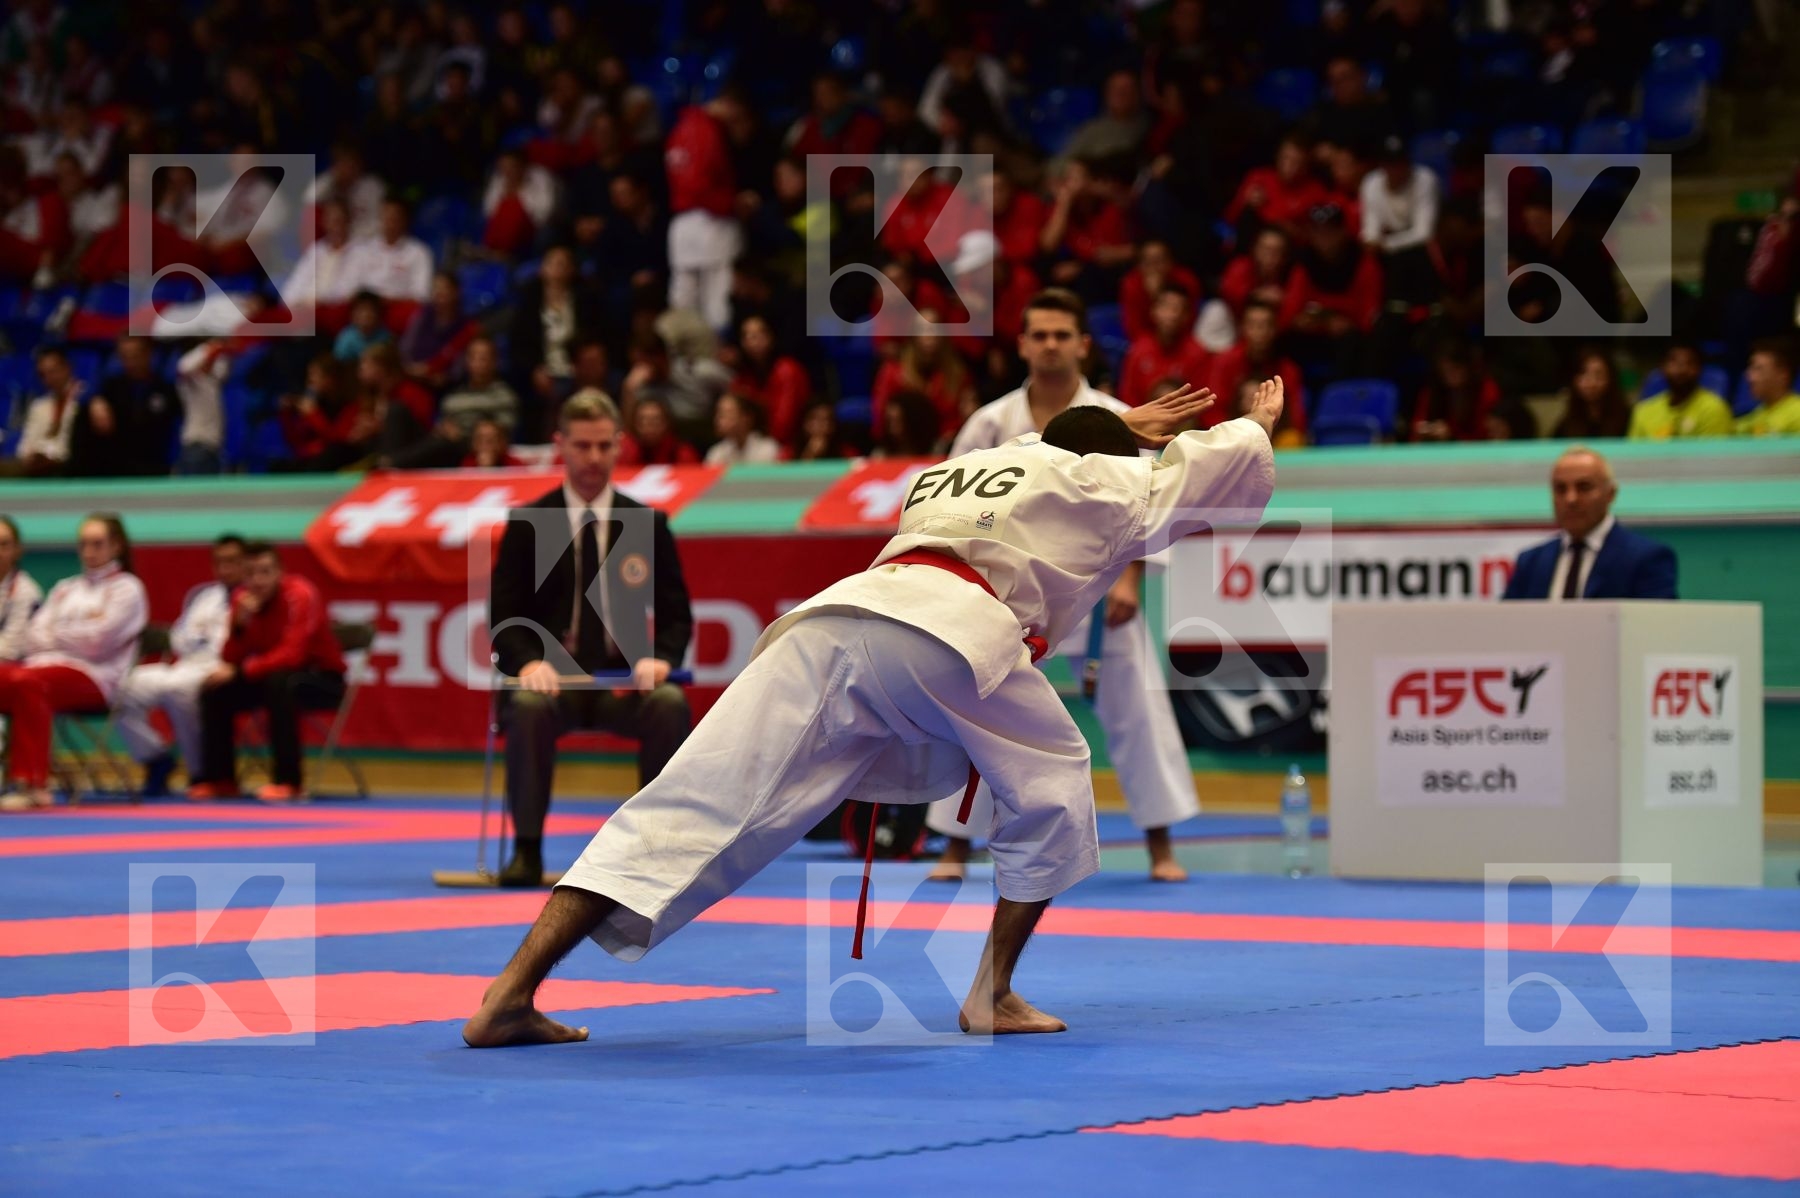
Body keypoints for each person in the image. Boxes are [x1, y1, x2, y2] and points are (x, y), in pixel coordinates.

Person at [460, 379, 1281, 1048]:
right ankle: (992, 993)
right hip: (953, 632)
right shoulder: (1102, 480)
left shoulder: (965, 468)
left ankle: (510, 993)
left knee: (684, 802)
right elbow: (1196, 470)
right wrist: (1254, 426)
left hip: (833, 623)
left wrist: (1113, 424)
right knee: (1056, 784)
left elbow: (1046, 444)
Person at [928, 288, 1201, 883]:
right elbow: (951, 501)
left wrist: (1131, 580)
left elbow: (1149, 504)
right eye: (1040, 335)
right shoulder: (990, 423)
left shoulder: (1117, 415)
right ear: (1023, 345)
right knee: (974, 709)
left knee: (1139, 706)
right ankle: (954, 846)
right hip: (1006, 601)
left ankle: (1160, 843)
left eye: (1061, 335)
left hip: (1096, 595)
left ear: (1083, 344)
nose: (1050, 345)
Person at [487, 390, 695, 886]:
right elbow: (504, 617)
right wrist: (528, 662)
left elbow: (676, 615)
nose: (594, 457)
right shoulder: (528, 525)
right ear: (560, 445)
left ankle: (655, 852)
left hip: (621, 685)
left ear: (620, 444)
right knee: (528, 707)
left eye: (604, 445)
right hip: (552, 686)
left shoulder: (647, 524)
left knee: (668, 703)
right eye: (582, 446)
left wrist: (661, 658)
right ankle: (527, 850)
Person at [0, 514, 147, 811]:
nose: (89, 551)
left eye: (97, 544)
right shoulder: (65, 588)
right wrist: (78, 633)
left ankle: (33, 785)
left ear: (116, 546)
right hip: (41, 668)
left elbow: (98, 643)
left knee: (28, 683)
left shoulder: (128, 589)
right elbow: (33, 636)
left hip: (96, 677)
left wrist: (57, 634)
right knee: (22, 679)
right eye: (83, 544)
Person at [190, 542, 348, 803]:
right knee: (216, 689)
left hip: (321, 678)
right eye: (251, 573)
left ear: (280, 572)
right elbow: (230, 658)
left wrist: (243, 670)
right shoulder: (242, 599)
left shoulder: (300, 595)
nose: (258, 580)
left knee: (280, 683)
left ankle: (289, 782)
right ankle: (220, 779)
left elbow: (292, 655)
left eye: (265, 572)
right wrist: (239, 624)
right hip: (270, 676)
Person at [115, 534, 246, 796]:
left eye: (232, 561)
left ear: (246, 563)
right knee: (120, 687)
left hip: (220, 668)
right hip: (187, 663)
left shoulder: (253, 597)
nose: (225, 568)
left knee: (178, 688)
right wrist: (192, 643)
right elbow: (179, 637)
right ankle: (156, 757)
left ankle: (200, 773)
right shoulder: (204, 596)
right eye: (219, 562)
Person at [1501, 446, 1677, 601]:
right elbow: (1507, 624)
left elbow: (1657, 625)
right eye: (1560, 489)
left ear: (1610, 494)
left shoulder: (1647, 559)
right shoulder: (1531, 562)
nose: (1570, 499)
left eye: (1584, 487)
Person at [1627, 342, 1733, 440]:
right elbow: (1633, 452)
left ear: (1700, 369)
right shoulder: (1643, 411)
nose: (1681, 369)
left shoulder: (1714, 409)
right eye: (1674, 362)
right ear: (1662, 367)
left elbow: (1714, 453)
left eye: (1689, 363)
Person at [1735, 339, 1800, 437]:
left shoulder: (1797, 414)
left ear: (1783, 374)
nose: (1750, 377)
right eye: (1751, 368)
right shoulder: (1755, 416)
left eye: (1758, 369)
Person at [0, 515, 43, 661]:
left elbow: (11, 650)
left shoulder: (26, 592)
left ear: (17, 550)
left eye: (4, 545)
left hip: (14, 667)